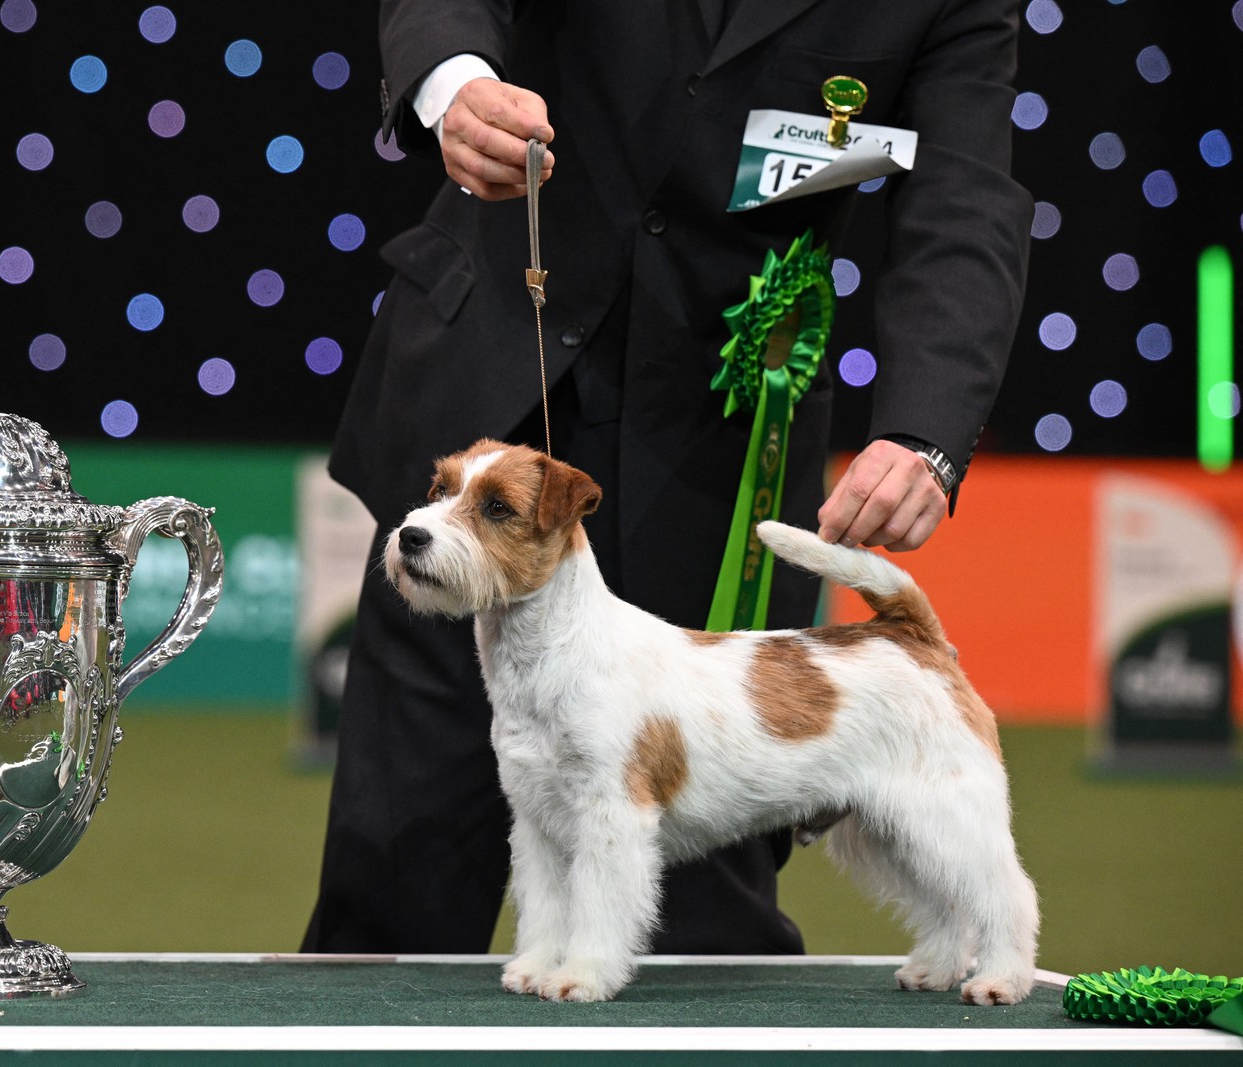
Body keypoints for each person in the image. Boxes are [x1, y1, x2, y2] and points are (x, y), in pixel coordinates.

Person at [303, 0, 1031, 954]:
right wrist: (455, 83)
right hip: (499, 402)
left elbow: (962, 198)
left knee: (709, 921)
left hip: (733, 453)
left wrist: (925, 432)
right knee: (396, 873)